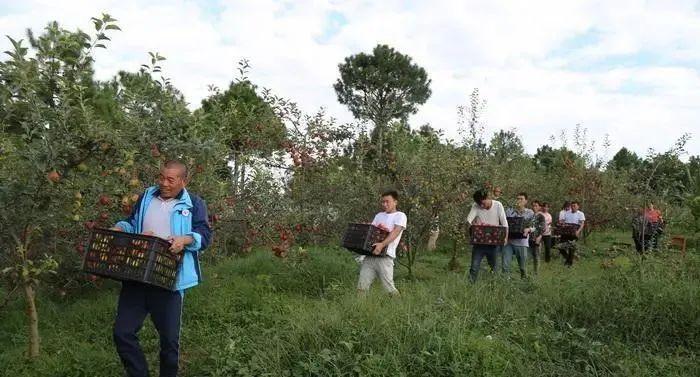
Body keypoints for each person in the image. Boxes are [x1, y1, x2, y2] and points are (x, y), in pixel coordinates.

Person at [112, 160, 212, 377]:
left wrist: (184, 240)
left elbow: (204, 236)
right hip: (137, 274)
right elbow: (132, 222)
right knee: (122, 333)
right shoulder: (147, 196)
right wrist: (120, 227)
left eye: (170, 179)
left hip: (169, 279)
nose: (164, 183)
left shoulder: (194, 204)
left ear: (183, 181)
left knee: (168, 342)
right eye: (161, 177)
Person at [357, 190, 407, 295]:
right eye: (383, 202)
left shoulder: (400, 216)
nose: (384, 204)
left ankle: (400, 307)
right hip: (370, 256)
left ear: (395, 202)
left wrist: (382, 244)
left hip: (385, 257)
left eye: (387, 201)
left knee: (389, 288)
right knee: (361, 287)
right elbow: (372, 231)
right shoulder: (379, 215)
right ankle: (358, 309)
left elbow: (396, 232)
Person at [466, 189, 508, 282]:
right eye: (479, 204)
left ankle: (493, 287)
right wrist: (472, 227)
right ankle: (470, 286)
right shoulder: (476, 206)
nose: (481, 206)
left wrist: (505, 237)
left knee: (494, 268)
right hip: (479, 243)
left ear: (487, 198)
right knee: (474, 267)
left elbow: (504, 223)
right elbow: (468, 220)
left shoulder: (498, 205)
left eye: (482, 203)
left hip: (493, 243)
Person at [503, 193, 535, 279]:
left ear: (526, 201)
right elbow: (503, 223)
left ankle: (524, 283)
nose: (519, 201)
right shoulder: (509, 211)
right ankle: (505, 283)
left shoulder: (530, 212)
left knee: (522, 267)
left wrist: (529, 229)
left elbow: (535, 226)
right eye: (517, 198)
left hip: (522, 242)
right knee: (505, 265)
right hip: (509, 241)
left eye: (521, 199)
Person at [559, 200, 585, 266]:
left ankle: (569, 264)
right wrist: (561, 224)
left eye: (574, 206)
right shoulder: (567, 213)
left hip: (574, 232)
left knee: (571, 248)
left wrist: (578, 231)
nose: (573, 207)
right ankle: (568, 259)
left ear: (578, 206)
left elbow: (582, 224)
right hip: (565, 232)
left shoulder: (580, 214)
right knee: (560, 247)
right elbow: (562, 221)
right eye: (572, 206)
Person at [529, 200, 547, 274]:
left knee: (536, 255)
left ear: (539, 207)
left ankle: (536, 272)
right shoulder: (530, 215)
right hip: (529, 238)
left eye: (536, 205)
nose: (534, 207)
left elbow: (543, 228)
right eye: (533, 205)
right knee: (529, 255)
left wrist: (539, 237)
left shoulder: (541, 216)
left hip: (537, 238)